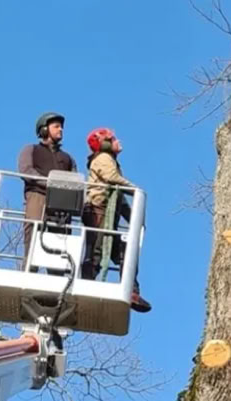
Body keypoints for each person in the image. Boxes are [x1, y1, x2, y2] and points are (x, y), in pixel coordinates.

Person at [81, 127, 152, 313]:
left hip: (109, 212)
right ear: (105, 143)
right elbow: (112, 179)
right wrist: (135, 190)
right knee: (95, 252)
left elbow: (118, 197)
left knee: (125, 251)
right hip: (99, 211)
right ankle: (86, 286)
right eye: (113, 139)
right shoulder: (103, 159)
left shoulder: (111, 161)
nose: (118, 141)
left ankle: (131, 290)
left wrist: (133, 217)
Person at [17, 111, 77, 266]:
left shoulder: (68, 158)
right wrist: (50, 182)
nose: (61, 130)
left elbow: (76, 181)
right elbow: (26, 171)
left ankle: (58, 277)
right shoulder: (31, 149)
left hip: (62, 204)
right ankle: (28, 273)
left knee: (59, 247)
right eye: (56, 126)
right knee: (34, 238)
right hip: (38, 197)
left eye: (61, 127)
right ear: (44, 129)